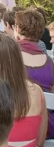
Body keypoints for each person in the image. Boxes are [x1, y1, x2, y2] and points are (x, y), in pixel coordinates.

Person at [14, 7, 54, 136]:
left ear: (18, 29)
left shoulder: (10, 56)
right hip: (48, 125)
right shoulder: (49, 62)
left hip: (18, 123)